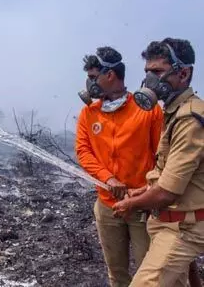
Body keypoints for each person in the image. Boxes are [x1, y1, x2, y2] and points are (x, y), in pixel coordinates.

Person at [112, 37, 204, 287]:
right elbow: (170, 173)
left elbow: (167, 193)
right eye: (147, 72)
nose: (149, 80)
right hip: (168, 223)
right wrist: (145, 189)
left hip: (182, 230)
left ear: (183, 73)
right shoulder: (174, 111)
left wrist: (131, 203)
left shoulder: (190, 119)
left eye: (157, 72)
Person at [75, 46, 164, 286]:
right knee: (117, 273)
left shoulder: (148, 110)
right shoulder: (89, 113)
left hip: (142, 207)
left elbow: (162, 156)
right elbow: (84, 151)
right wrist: (109, 179)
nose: (90, 82)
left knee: (151, 273)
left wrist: (146, 192)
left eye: (94, 77)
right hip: (107, 206)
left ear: (110, 75)